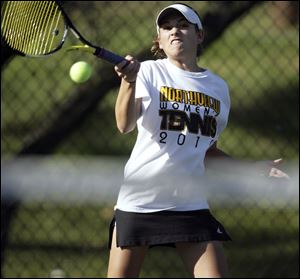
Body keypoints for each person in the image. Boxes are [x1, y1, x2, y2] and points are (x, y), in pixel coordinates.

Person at [107, 3, 289, 278]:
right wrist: (128, 82)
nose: (174, 31)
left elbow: (206, 151)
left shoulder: (218, 88)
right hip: (141, 199)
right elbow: (124, 125)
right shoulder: (147, 72)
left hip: (189, 202)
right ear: (159, 40)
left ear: (199, 35)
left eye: (182, 25)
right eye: (166, 28)